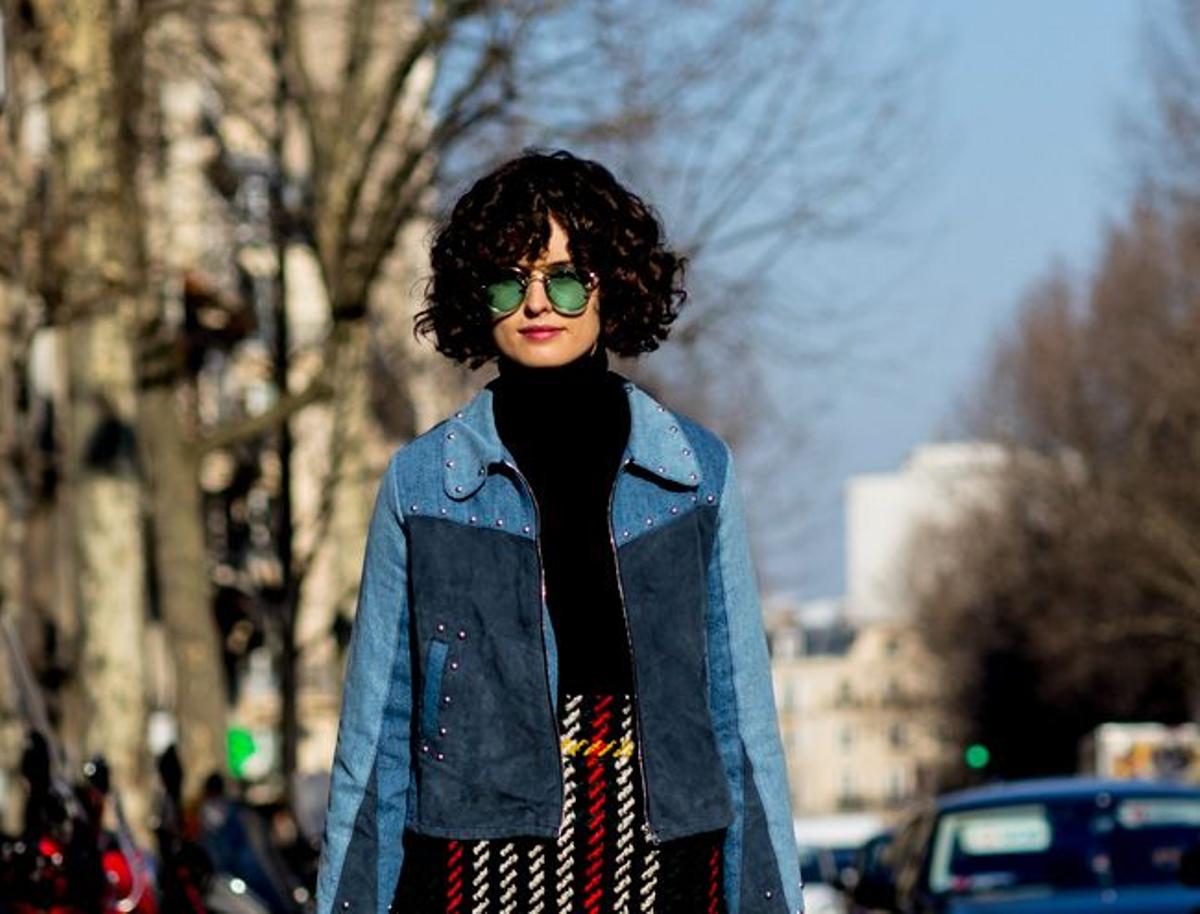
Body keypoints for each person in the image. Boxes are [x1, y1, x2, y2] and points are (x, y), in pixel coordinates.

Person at [315, 150, 801, 914]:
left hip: (665, 862)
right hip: (476, 870)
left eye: (567, 279)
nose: (539, 303)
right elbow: (375, 739)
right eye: (511, 281)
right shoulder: (424, 484)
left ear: (611, 289)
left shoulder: (694, 474)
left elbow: (742, 726)